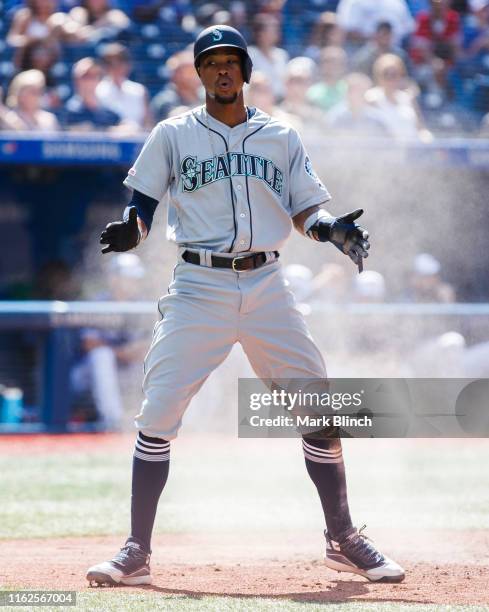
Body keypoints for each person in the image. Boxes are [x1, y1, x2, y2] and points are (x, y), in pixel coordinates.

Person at [86, 24, 404, 587]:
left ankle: (342, 536)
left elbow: (307, 208)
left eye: (232, 60)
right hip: (198, 286)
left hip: (267, 285)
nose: (223, 70)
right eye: (212, 62)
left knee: (320, 409)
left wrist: (331, 230)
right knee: (157, 413)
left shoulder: (280, 136)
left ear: (246, 71)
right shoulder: (172, 133)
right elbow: (142, 205)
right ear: (200, 73)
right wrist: (133, 232)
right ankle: (137, 551)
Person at [71, 253, 149, 430]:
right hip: (88, 375)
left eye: (135, 278)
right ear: (114, 278)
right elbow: (88, 343)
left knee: (155, 359)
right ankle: (113, 421)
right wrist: (121, 352)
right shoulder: (98, 303)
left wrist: (135, 351)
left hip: (130, 370)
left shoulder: (144, 305)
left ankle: (153, 420)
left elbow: (151, 344)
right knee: (101, 356)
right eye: (128, 278)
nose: (133, 282)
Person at [366, 54, 431, 141]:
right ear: (378, 75)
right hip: (386, 151)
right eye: (386, 74)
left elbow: (420, 128)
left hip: (413, 149)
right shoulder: (371, 98)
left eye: (394, 74)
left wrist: (427, 139)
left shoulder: (407, 98)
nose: (390, 78)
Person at [96, 43, 153, 131]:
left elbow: (148, 123)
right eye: (110, 63)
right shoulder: (97, 90)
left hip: (137, 141)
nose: (116, 66)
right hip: (109, 142)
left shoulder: (139, 90)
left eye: (121, 61)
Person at [62, 57, 121, 131]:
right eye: (85, 76)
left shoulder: (109, 114)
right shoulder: (66, 112)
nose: (90, 81)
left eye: (95, 76)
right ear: (76, 80)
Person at [327, 72, 389, 136]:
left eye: (359, 90)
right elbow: (327, 139)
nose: (355, 94)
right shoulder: (336, 116)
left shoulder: (376, 117)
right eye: (351, 89)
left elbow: (388, 141)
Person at [150, 50, 203, 122]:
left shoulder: (206, 96)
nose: (197, 75)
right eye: (191, 72)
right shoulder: (165, 100)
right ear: (177, 75)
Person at [247, 13, 289, 100]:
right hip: (257, 103)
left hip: (281, 103)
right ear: (260, 33)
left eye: (277, 30)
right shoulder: (249, 55)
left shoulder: (282, 54)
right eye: (273, 30)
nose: (277, 33)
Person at [307, 46, 348, 112]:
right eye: (327, 61)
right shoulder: (311, 93)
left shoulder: (350, 90)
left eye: (337, 62)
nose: (332, 66)